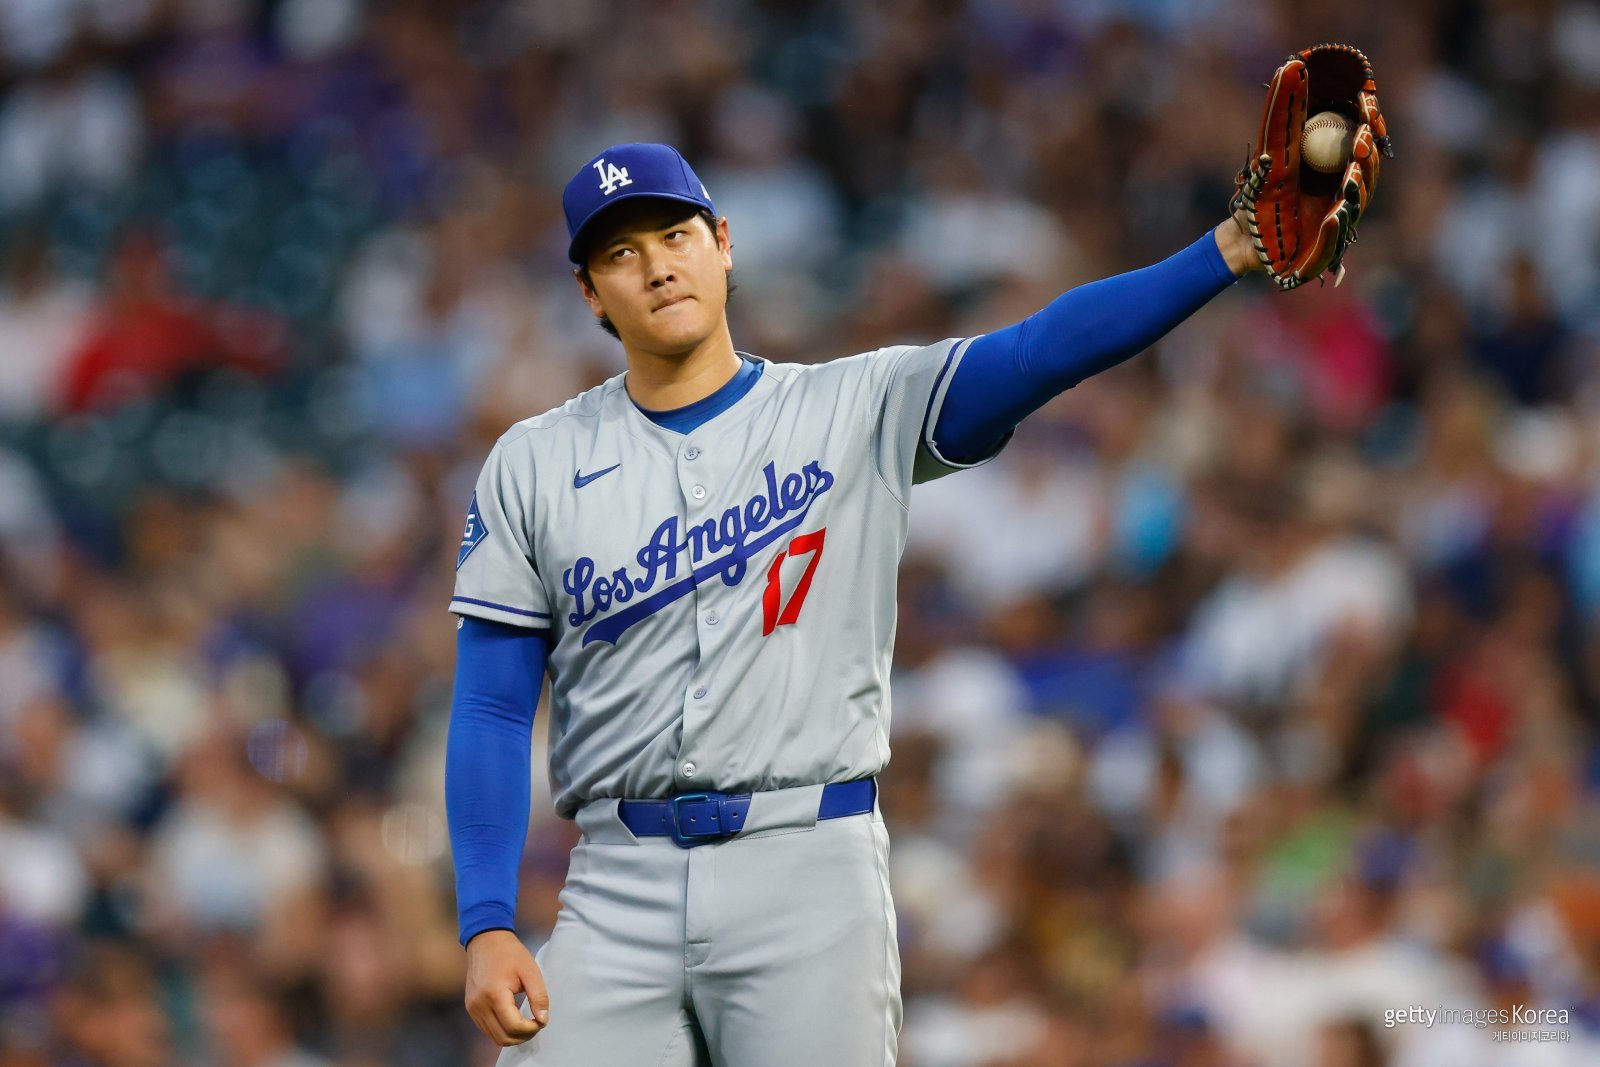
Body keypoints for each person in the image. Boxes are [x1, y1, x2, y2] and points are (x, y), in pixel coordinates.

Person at [446, 141, 1263, 1064]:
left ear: (723, 243)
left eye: (675, 235)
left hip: (808, 865)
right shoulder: (534, 462)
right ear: (591, 292)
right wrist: (487, 919)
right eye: (621, 253)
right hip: (616, 879)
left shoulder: (853, 406)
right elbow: (491, 707)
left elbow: (1041, 350)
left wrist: (1226, 250)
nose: (658, 266)